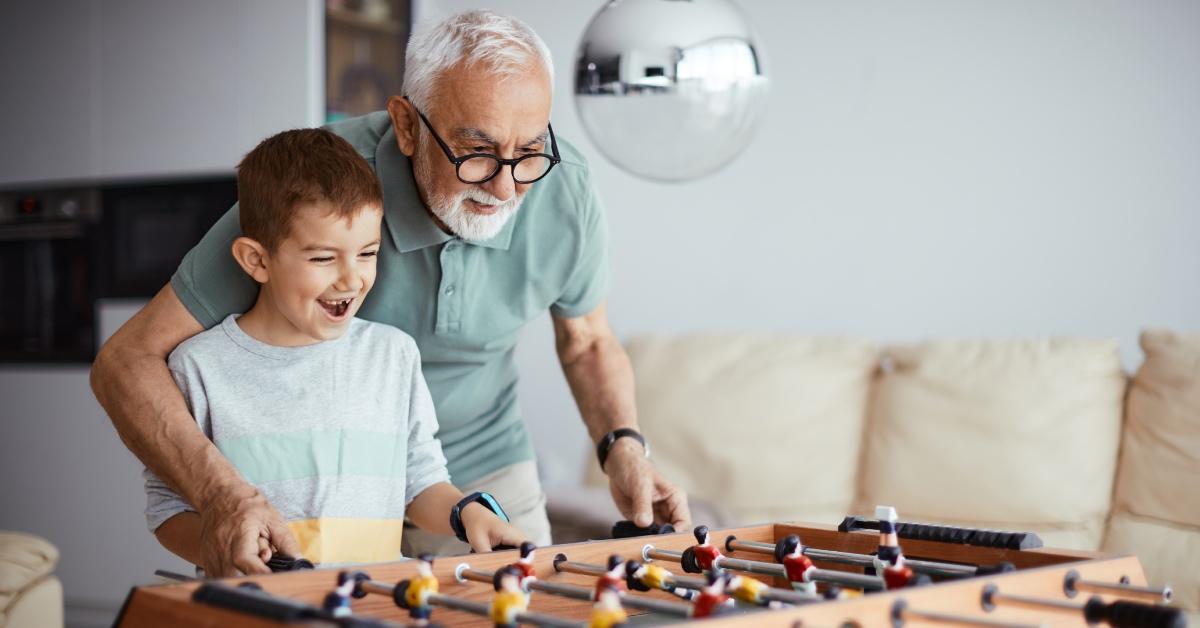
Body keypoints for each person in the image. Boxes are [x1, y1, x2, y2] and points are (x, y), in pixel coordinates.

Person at [91, 9, 690, 576]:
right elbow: (128, 361)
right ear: (406, 125)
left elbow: (586, 340)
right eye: (477, 152)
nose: (508, 188)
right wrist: (224, 496)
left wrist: (624, 448)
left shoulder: (565, 189)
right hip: (309, 479)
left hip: (473, 462)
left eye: (529, 150)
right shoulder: (320, 191)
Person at [143, 128, 523, 571]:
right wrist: (227, 549)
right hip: (253, 611)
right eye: (323, 258)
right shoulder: (199, 368)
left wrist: (464, 512)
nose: (350, 279)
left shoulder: (393, 355)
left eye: (367, 253)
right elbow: (167, 512)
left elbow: (419, 481)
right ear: (257, 260)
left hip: (375, 606)